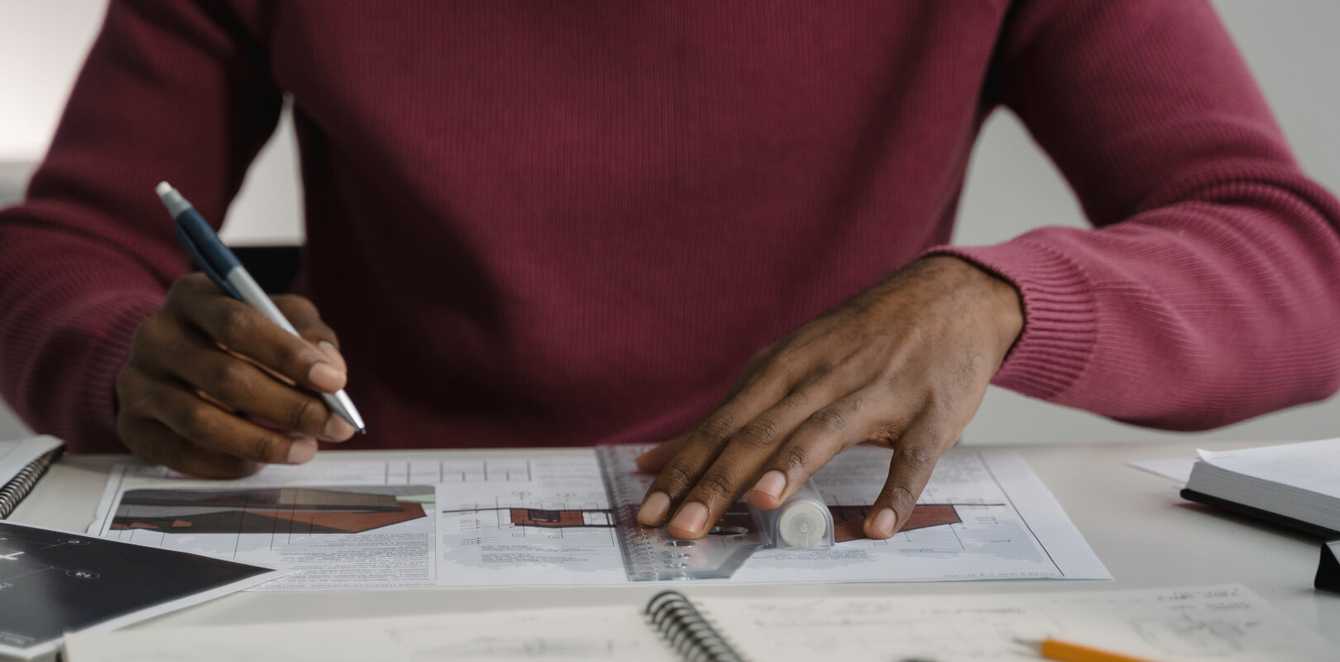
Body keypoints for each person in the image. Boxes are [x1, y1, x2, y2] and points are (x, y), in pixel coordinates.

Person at [2, 1, 1338, 543]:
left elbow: (1295, 252)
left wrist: (999, 297)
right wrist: (134, 361)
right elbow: (67, 247)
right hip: (397, 573)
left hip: (817, 570)